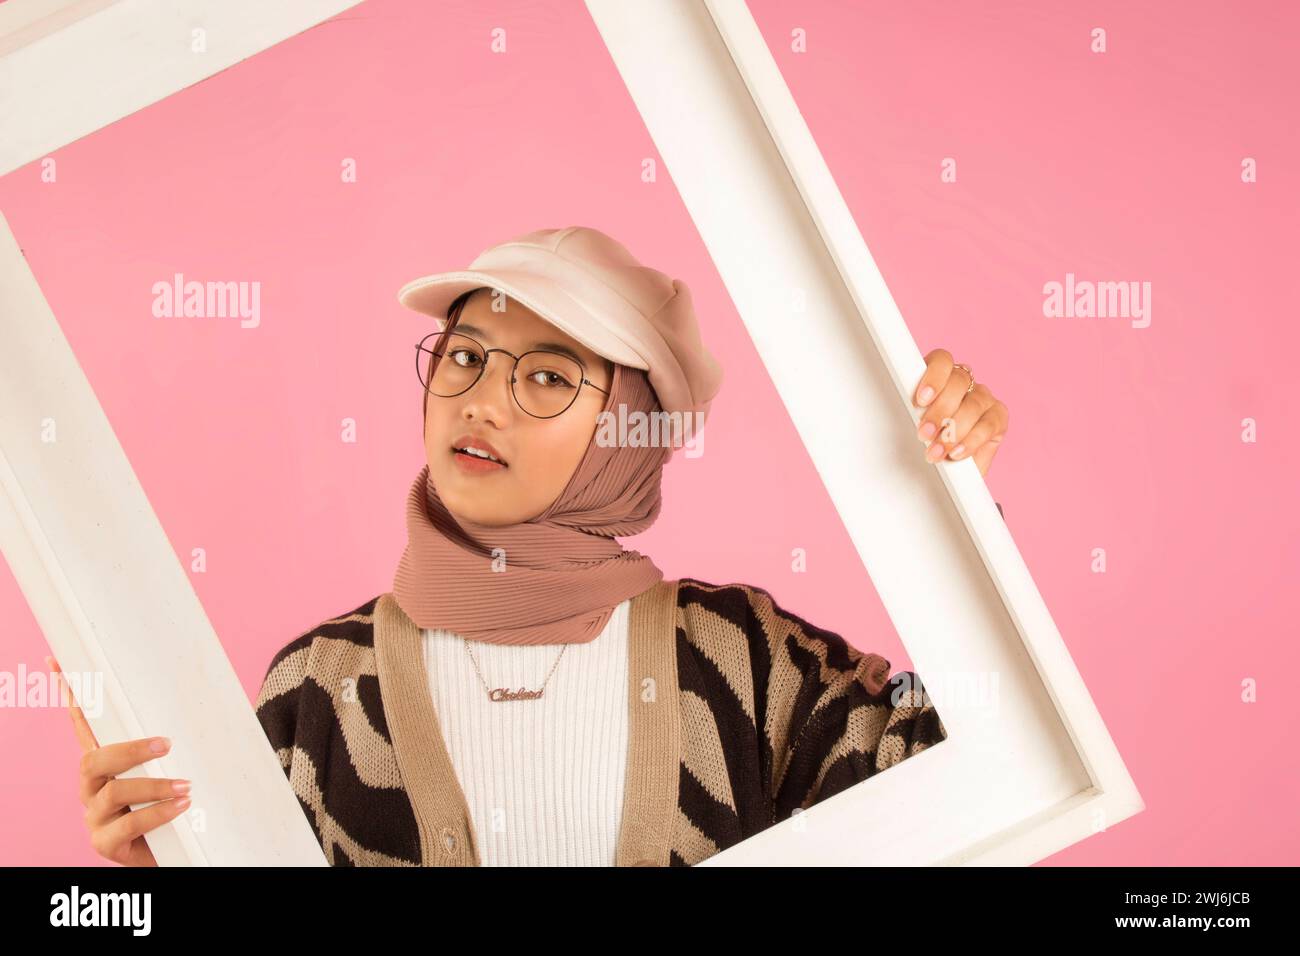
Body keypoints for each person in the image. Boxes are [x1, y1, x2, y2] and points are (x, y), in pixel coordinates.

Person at [55, 226, 1010, 867]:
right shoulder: (317, 687)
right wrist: (155, 877)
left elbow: (973, 764)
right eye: (465, 355)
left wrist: (959, 507)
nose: (479, 397)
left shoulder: (742, 657)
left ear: (628, 426)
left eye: (547, 376)